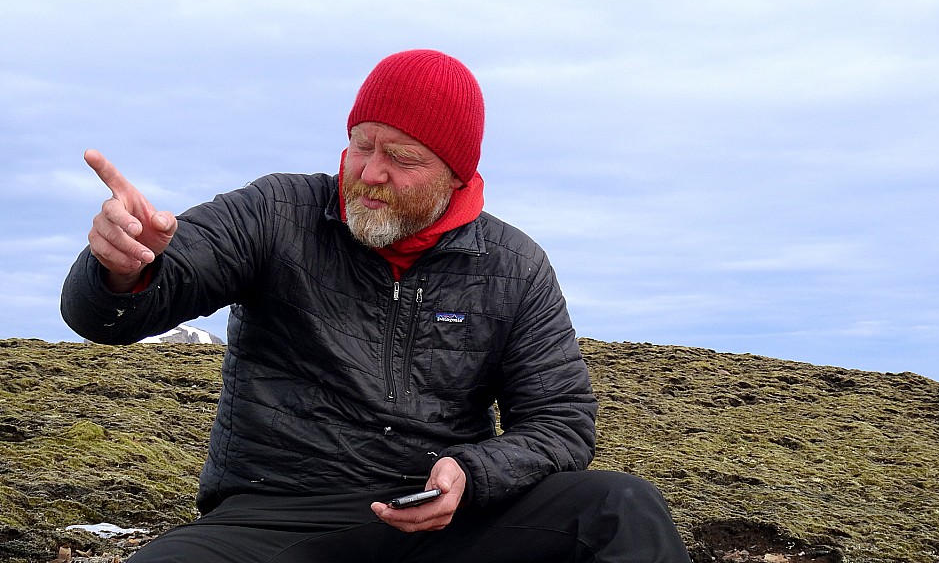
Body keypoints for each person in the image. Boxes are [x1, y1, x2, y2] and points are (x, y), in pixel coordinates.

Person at [61, 49, 692, 563]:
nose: (370, 172)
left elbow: (561, 420)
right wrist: (124, 269)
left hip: (443, 522)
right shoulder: (278, 212)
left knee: (619, 509)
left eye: (402, 157)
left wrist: (474, 473)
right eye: (362, 145)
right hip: (276, 515)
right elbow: (123, 309)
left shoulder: (512, 263)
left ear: (455, 172)